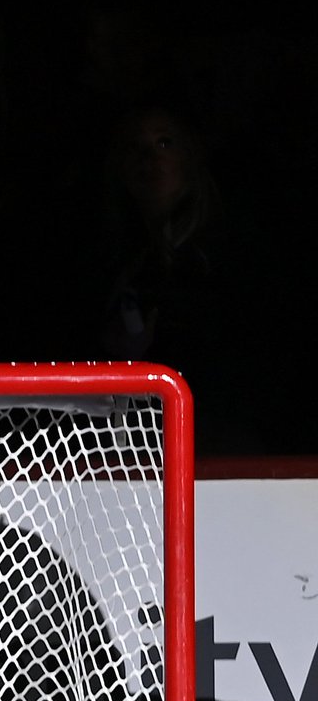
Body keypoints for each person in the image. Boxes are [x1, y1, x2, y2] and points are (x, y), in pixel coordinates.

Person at [91, 104, 288, 454]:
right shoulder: (118, 254)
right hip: (141, 442)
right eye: (134, 148)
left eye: (164, 143)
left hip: (222, 443)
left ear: (191, 157)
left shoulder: (228, 247)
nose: (149, 158)